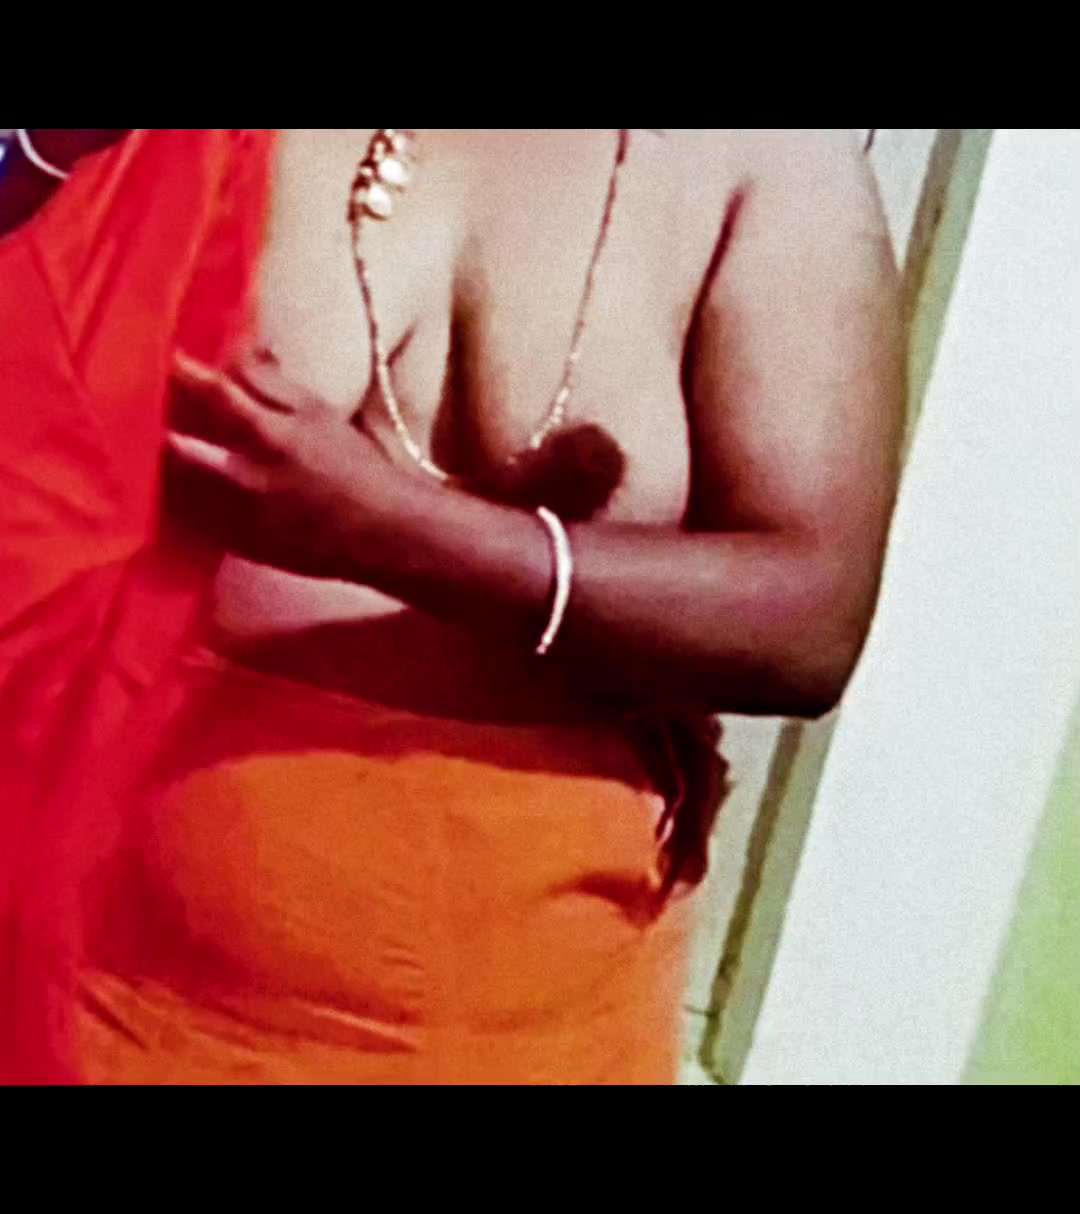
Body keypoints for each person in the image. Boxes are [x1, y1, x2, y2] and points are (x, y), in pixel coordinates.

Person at [0, 129, 904, 1085]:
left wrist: (387, 529)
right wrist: (43, 169)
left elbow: (811, 621)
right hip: (116, 984)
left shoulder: (768, 164)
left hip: (528, 1018)